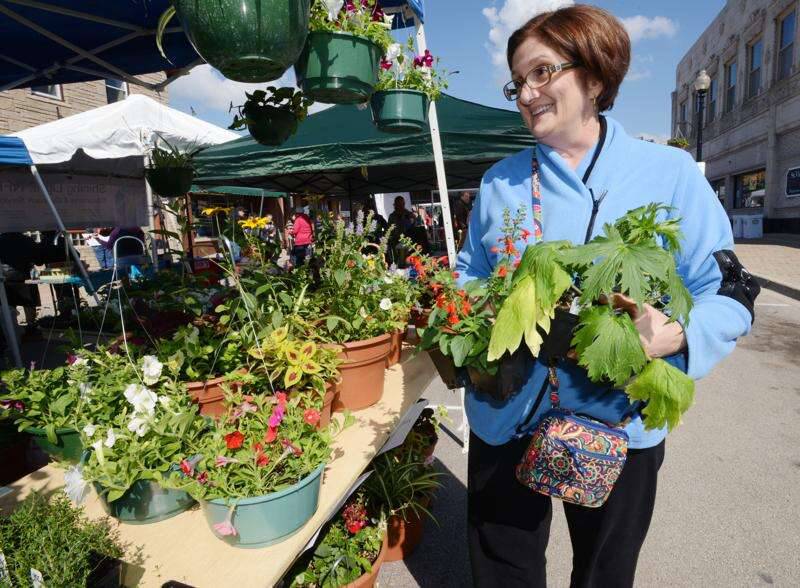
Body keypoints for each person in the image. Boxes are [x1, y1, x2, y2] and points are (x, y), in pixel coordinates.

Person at [455, 6, 757, 588]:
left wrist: (681, 335)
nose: (526, 92)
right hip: (506, 408)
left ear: (595, 78)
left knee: (604, 571)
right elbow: (472, 268)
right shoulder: (500, 181)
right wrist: (472, 306)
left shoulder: (668, 173)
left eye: (543, 72)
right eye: (518, 81)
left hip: (616, 420)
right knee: (502, 566)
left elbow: (730, 287)